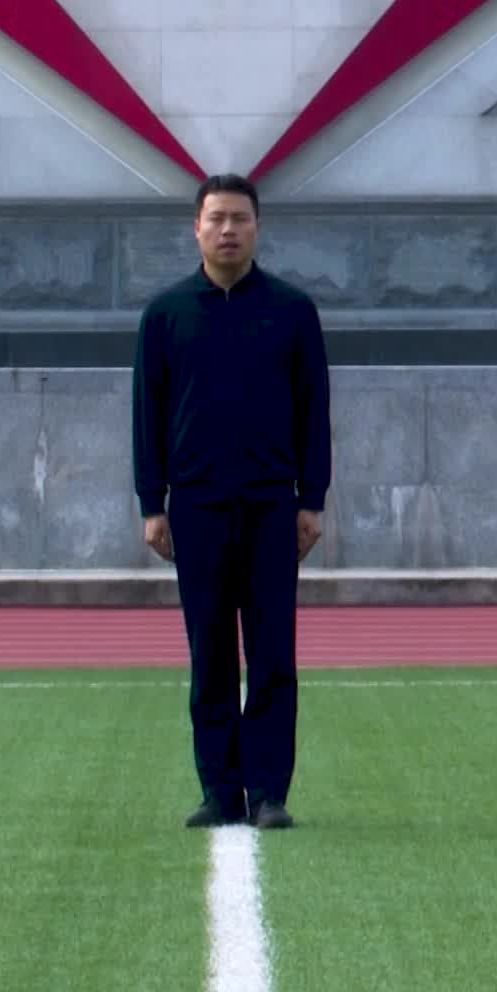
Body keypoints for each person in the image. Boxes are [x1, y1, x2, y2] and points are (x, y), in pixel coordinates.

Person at [131, 173, 331, 831]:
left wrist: (312, 499)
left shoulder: (293, 311)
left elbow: (314, 411)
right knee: (211, 656)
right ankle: (219, 791)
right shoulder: (165, 315)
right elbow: (147, 414)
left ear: (257, 227)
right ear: (196, 228)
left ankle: (268, 792)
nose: (227, 230)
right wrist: (152, 503)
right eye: (216, 218)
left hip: (273, 507)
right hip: (197, 508)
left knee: (272, 656)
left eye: (239, 218)